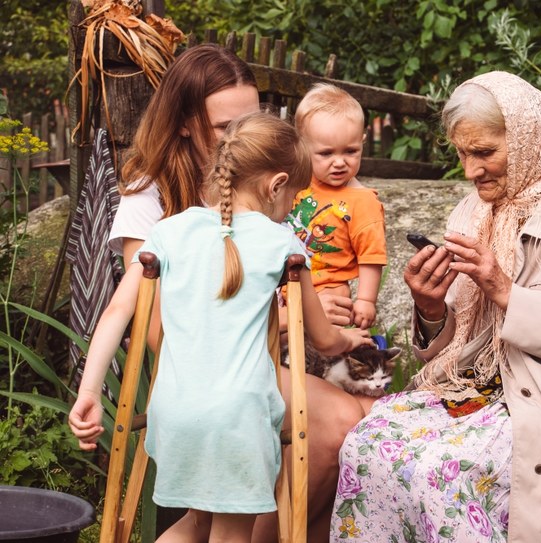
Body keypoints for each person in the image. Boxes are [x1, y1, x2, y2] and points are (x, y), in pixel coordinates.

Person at [328, 71, 541, 542]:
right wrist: (431, 307)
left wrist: (504, 290)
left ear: (526, 139)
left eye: (484, 153)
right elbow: (453, 348)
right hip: (477, 394)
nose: (470, 171)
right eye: (462, 154)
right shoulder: (471, 211)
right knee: (365, 446)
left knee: (443, 470)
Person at [105, 44, 373, 542]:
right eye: (227, 128)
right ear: (185, 122)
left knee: (365, 419)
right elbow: (157, 328)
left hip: (261, 354)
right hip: (202, 365)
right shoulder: (150, 195)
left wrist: (298, 303)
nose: (243, 137)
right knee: (338, 421)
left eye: (250, 122)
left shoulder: (258, 185)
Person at [284, 83, 387, 330]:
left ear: (362, 142)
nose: (339, 162)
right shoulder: (296, 181)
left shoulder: (362, 201)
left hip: (331, 290)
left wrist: (365, 300)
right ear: (303, 147)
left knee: (324, 352)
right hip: (287, 285)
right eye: (326, 153)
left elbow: (371, 256)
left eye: (350, 151)